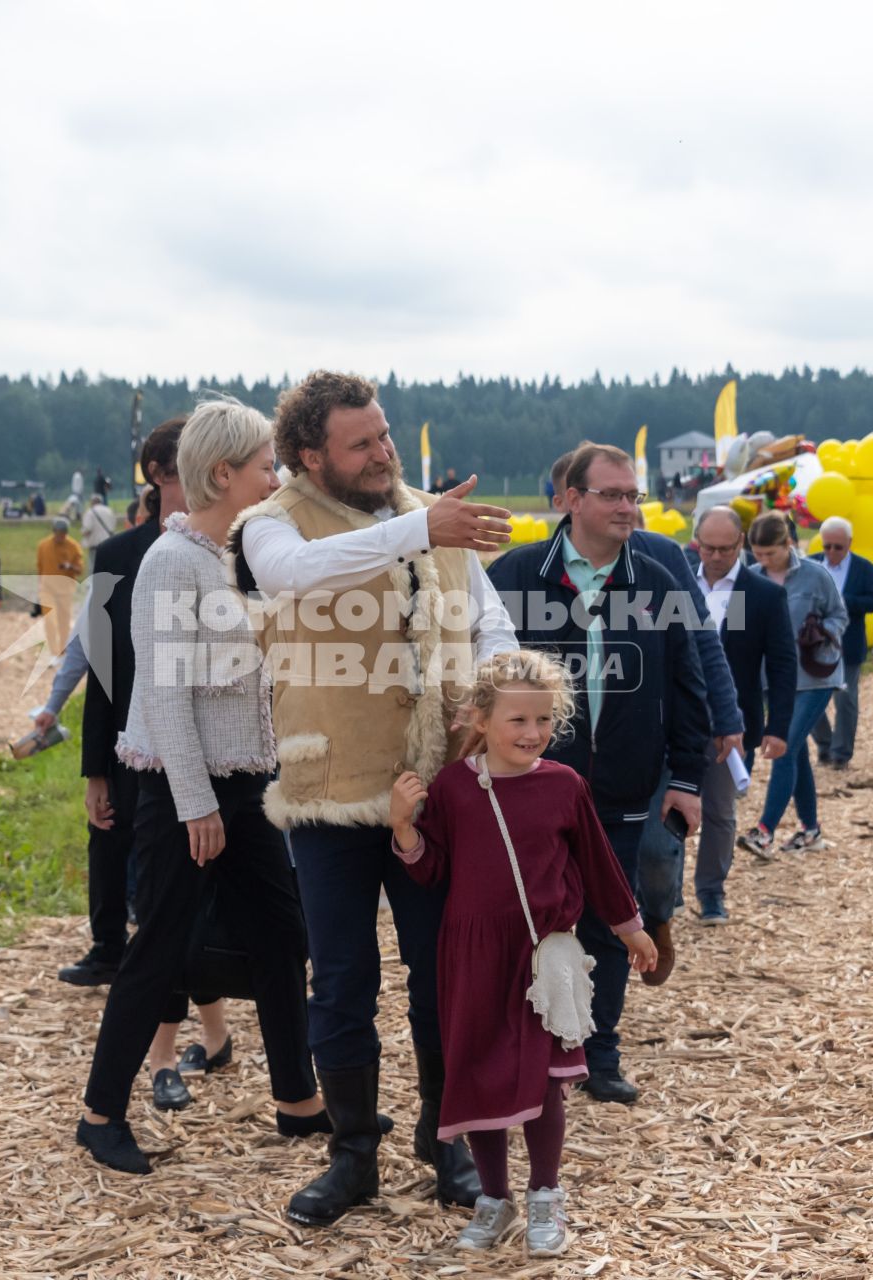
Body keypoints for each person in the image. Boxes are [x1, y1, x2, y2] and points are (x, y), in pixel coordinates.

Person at [230, 370, 518, 1225]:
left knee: (443, 979)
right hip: (330, 794)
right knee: (343, 981)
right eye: (362, 443)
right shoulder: (270, 526)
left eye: (385, 434)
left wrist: (495, 685)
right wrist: (417, 528)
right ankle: (354, 1156)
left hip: (436, 788)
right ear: (308, 456)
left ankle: (447, 1145)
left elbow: (485, 613)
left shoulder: (436, 514)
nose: (384, 452)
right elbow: (300, 577)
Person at [76, 396, 327, 1174]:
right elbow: (162, 692)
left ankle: (298, 1100)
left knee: (286, 936)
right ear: (224, 475)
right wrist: (195, 804)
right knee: (155, 950)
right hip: (183, 792)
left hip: (246, 786)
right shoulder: (169, 562)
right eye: (265, 466)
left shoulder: (236, 553)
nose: (275, 477)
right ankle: (99, 1114)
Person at [388, 650, 655, 1256]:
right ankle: (493, 1199)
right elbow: (431, 871)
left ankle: (544, 1196)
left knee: (542, 1082)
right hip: (473, 955)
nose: (532, 733)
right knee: (479, 1071)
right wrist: (403, 827)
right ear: (480, 719)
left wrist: (630, 927)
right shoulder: (454, 787)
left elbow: (598, 862)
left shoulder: (565, 785)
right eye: (517, 721)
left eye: (542, 721)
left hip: (543, 958)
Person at [485, 442, 710, 1103]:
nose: (627, 507)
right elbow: (471, 683)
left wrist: (688, 779)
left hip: (622, 791)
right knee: (526, 923)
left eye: (632, 495)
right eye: (612, 494)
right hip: (527, 790)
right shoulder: (516, 577)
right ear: (570, 500)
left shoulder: (659, 584)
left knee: (613, 921)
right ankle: (526, 1051)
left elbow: (687, 685)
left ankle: (597, 1055)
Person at [50, 417, 231, 1105]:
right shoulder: (114, 556)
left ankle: (211, 1038)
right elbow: (102, 671)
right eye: (191, 466)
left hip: (222, 759)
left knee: (197, 905)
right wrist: (97, 769)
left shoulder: (235, 552)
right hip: (141, 755)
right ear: (158, 473)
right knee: (158, 907)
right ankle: (161, 1059)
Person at [681, 507, 793, 925]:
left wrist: (778, 727)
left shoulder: (762, 595)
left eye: (725, 549)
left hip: (732, 724)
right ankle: (665, 893)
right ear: (696, 543)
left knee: (720, 811)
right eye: (707, 547)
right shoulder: (671, 584)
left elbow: (782, 663)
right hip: (673, 718)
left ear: (741, 544)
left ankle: (710, 892)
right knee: (664, 805)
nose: (715, 556)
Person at [737, 511, 847, 859]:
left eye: (770, 553)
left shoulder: (816, 575)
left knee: (782, 748)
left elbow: (839, 615)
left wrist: (822, 635)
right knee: (795, 750)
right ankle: (810, 830)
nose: (763, 560)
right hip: (772, 680)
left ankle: (764, 832)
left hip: (816, 677)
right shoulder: (749, 579)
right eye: (757, 553)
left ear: (788, 543)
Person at [811, 517, 873, 771]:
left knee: (846, 700)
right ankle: (824, 744)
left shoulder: (865, 569)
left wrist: (841, 601)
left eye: (837, 547)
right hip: (813, 645)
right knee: (810, 697)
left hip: (848, 644)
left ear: (849, 544)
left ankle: (841, 753)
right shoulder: (811, 565)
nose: (831, 552)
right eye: (827, 546)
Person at [35, 516, 85, 663]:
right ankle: (52, 652)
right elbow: (39, 567)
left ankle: (63, 653)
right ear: (53, 531)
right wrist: (39, 586)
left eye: (63, 533)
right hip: (47, 589)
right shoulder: (43, 546)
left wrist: (70, 566)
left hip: (65, 591)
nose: (60, 536)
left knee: (64, 622)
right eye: (58, 532)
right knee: (50, 620)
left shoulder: (73, 547)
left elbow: (80, 569)